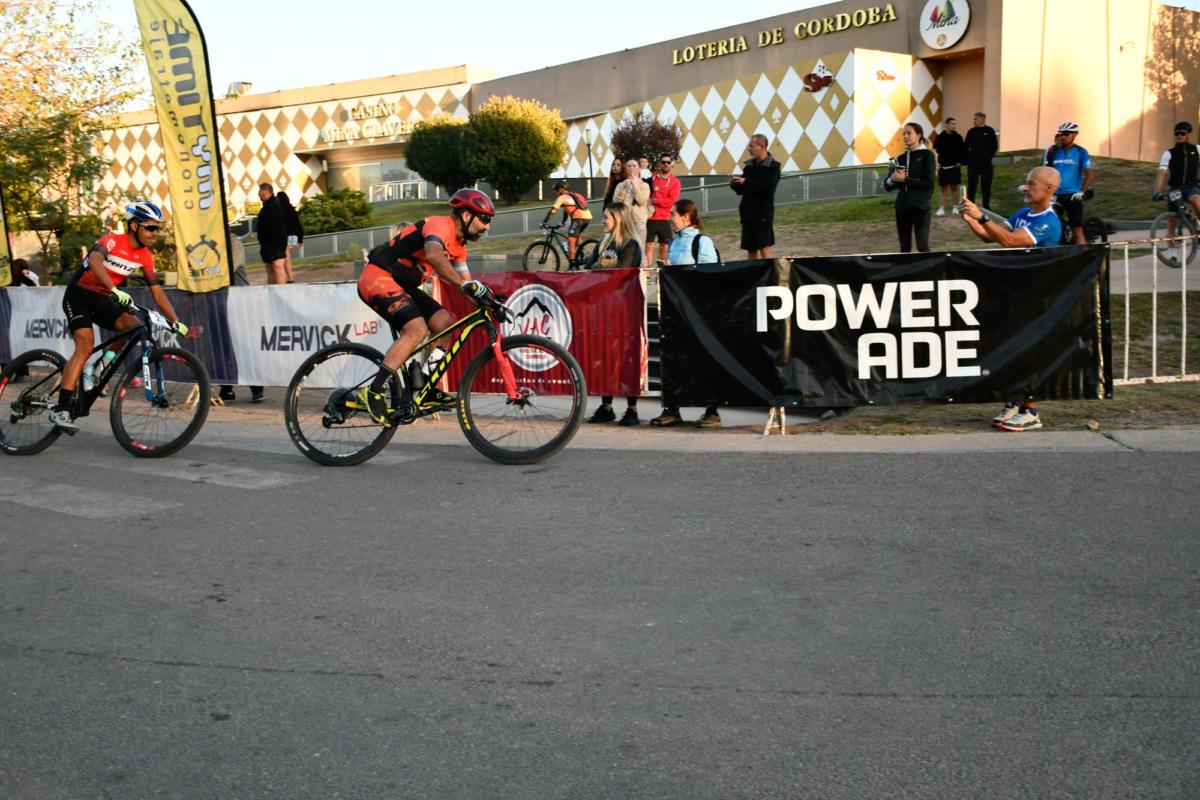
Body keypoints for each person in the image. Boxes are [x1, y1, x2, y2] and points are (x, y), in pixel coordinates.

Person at [47, 201, 189, 431]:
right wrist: (113, 289)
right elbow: (95, 262)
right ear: (134, 226)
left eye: (157, 228)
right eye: (150, 227)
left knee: (133, 325)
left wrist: (175, 321)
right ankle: (61, 410)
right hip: (79, 295)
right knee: (85, 346)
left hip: (103, 297)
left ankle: (100, 366)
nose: (155, 233)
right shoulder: (112, 241)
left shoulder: (145, 256)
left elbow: (156, 291)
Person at [356, 189, 494, 423]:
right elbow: (433, 255)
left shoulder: (459, 247)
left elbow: (467, 286)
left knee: (445, 324)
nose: (487, 227)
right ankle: (373, 392)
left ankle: (426, 386)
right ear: (466, 215)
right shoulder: (440, 225)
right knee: (417, 329)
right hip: (378, 277)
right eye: (484, 219)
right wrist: (463, 285)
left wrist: (491, 306)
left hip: (401, 284)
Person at [957, 166, 1062, 433]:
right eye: (1026, 182)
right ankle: (1014, 402)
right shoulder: (1022, 214)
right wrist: (970, 219)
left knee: (1031, 352)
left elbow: (1010, 241)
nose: (1026, 188)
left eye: (1032, 184)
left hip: (1037, 294)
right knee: (1013, 349)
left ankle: (1031, 411)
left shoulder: (1049, 222)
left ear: (1050, 189)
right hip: (1016, 293)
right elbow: (989, 236)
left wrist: (982, 217)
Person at [650, 199, 721, 429]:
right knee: (673, 359)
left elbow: (710, 275)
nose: (670, 218)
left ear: (686, 217)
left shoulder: (703, 241)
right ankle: (672, 410)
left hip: (698, 313)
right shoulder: (674, 242)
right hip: (676, 311)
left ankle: (712, 411)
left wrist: (683, 277)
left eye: (673, 214)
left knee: (704, 360)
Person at [587, 202, 642, 427]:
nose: (603, 221)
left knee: (627, 357)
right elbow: (588, 266)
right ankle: (606, 406)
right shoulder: (602, 244)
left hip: (625, 309)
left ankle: (632, 409)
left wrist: (600, 267)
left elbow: (622, 271)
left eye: (607, 217)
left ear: (618, 219)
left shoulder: (631, 245)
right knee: (605, 356)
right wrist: (601, 267)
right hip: (603, 309)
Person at [219, 232, 264, 403]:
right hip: (219, 301)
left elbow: (227, 270)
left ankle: (256, 388)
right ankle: (226, 389)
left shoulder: (234, 244)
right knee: (222, 346)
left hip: (240, 302)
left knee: (244, 346)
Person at [1151, 120, 1200, 264]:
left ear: (1188, 134)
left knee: (1196, 200)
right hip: (1176, 188)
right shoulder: (1169, 153)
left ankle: (1198, 223)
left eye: (1182, 133)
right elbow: (1162, 173)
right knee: (1172, 220)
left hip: (1191, 186)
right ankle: (1172, 254)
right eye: (1177, 133)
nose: (1179, 135)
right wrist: (1157, 191)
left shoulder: (1197, 149)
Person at [885, 122, 936, 253]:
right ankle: (905, 267)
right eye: (904, 134)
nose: (905, 136)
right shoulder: (901, 158)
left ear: (918, 135)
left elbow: (928, 184)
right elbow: (888, 186)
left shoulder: (927, 155)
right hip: (902, 207)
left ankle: (928, 266)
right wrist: (892, 179)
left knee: (922, 246)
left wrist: (906, 179)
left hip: (921, 206)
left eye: (909, 133)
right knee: (904, 248)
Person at [730, 133, 781, 259]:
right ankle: (753, 271)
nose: (749, 149)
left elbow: (768, 189)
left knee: (764, 247)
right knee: (750, 249)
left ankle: (768, 272)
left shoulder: (773, 167)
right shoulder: (749, 167)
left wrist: (746, 182)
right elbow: (742, 190)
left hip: (762, 215)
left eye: (752, 146)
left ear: (762, 146)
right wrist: (735, 184)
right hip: (748, 214)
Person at [1043, 121, 1094, 244]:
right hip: (1055, 195)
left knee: (1077, 232)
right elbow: (1045, 172)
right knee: (1052, 228)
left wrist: (1081, 192)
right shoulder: (1053, 151)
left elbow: (1089, 174)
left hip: (1073, 196)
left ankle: (1084, 254)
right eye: (1061, 133)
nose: (1063, 136)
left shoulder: (1081, 152)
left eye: (1066, 134)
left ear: (1074, 134)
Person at [541, 181, 592, 263]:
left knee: (571, 240)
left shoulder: (562, 197)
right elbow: (566, 210)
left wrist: (543, 222)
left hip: (578, 218)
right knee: (576, 237)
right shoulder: (574, 195)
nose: (554, 192)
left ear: (560, 189)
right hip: (587, 218)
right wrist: (563, 222)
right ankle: (583, 256)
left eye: (555, 190)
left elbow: (553, 211)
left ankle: (572, 264)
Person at [646, 154, 681, 267]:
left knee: (664, 247)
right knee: (648, 247)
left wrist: (656, 200)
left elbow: (672, 201)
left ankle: (661, 271)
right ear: (659, 164)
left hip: (664, 219)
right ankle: (647, 272)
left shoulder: (675, 182)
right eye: (663, 162)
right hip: (649, 218)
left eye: (668, 162)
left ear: (671, 164)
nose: (666, 164)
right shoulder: (651, 177)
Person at [612, 157, 650, 251]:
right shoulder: (620, 185)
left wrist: (635, 186)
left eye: (634, 166)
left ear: (639, 168)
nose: (631, 168)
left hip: (639, 221)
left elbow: (641, 201)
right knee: (624, 248)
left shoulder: (644, 185)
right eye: (629, 166)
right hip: (624, 221)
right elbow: (616, 203)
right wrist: (624, 188)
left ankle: (641, 262)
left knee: (639, 249)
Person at [965, 112, 999, 211]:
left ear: (983, 119)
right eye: (974, 118)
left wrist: (988, 157)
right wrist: (969, 158)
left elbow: (994, 146)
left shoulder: (989, 131)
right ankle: (970, 206)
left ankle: (986, 207)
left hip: (986, 165)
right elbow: (966, 146)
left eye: (976, 118)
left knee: (986, 187)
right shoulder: (971, 131)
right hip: (973, 165)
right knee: (972, 186)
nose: (974, 120)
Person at [932, 117, 966, 216]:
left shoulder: (958, 137)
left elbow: (962, 151)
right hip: (943, 167)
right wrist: (937, 164)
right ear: (946, 125)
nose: (954, 126)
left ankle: (955, 207)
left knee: (954, 189)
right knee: (943, 189)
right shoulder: (940, 137)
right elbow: (935, 151)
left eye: (955, 124)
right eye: (952, 124)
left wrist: (961, 162)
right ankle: (941, 209)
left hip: (954, 167)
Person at [256, 184, 288, 284]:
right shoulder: (267, 206)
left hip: (275, 244)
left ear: (265, 192)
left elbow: (278, 227)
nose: (258, 194)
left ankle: (281, 291)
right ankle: (272, 291)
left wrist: (279, 245)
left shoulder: (274, 206)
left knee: (278, 267)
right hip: (268, 244)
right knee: (270, 269)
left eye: (259, 192)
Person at [278, 190, 304, 283]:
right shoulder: (292, 210)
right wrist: (300, 239)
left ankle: (289, 278)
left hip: (285, 237)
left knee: (286, 258)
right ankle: (288, 277)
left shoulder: (279, 212)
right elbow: (298, 225)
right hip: (294, 237)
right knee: (287, 257)